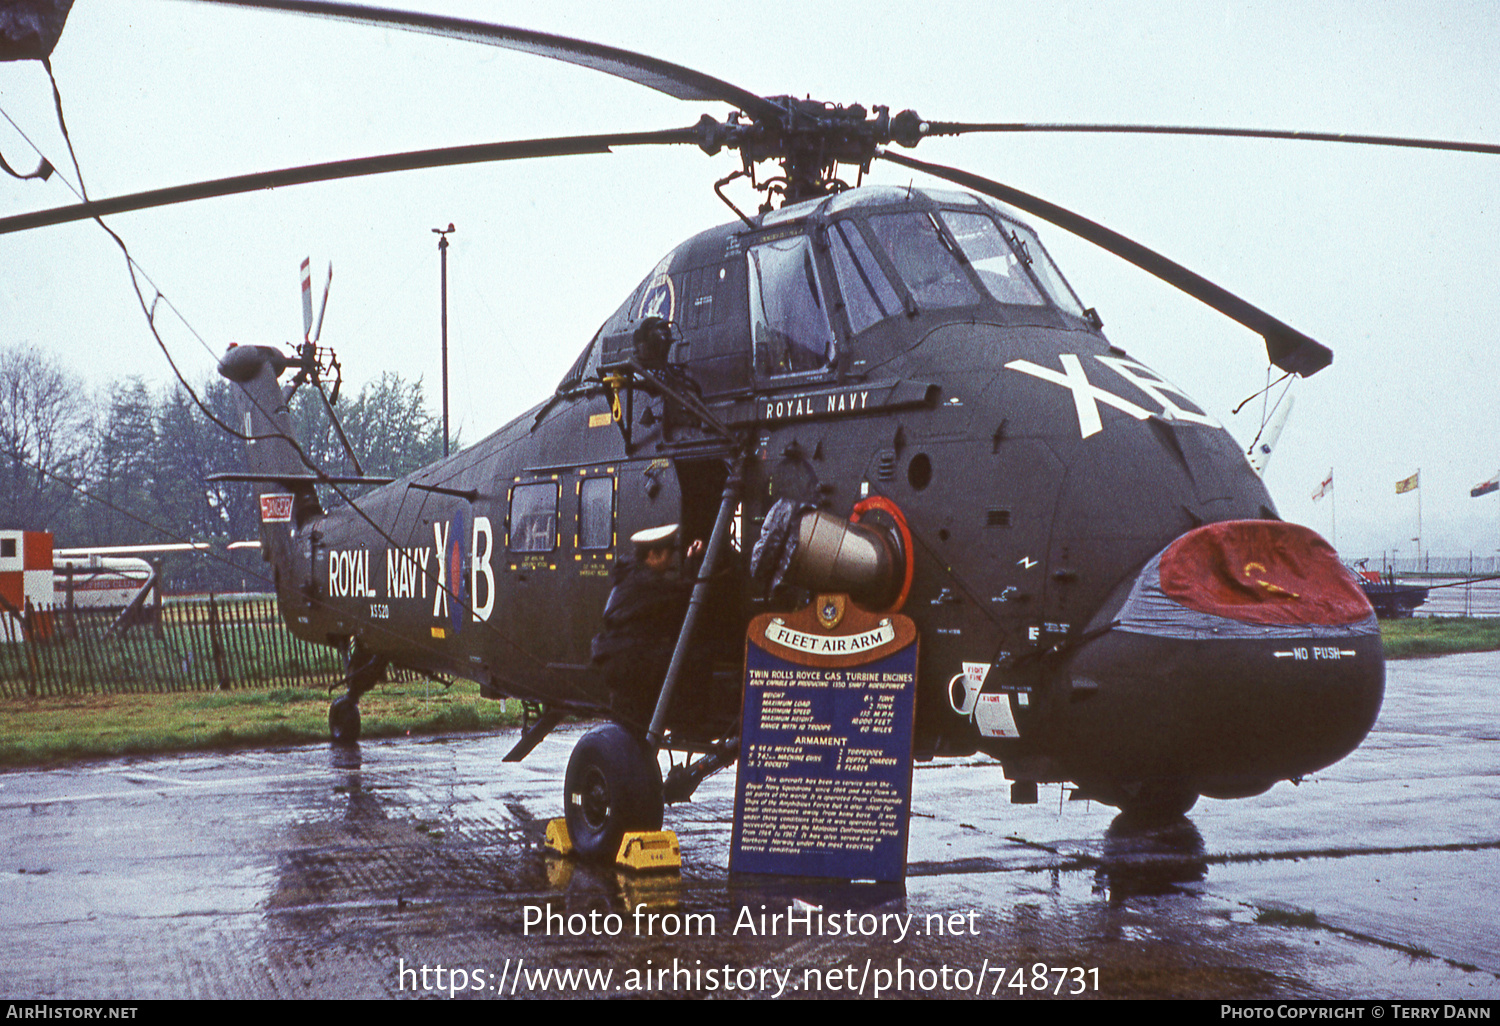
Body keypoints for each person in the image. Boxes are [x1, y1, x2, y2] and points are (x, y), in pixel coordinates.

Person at [590, 524, 703, 730]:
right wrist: (694, 563)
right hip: (630, 664)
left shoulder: (634, 573)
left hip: (623, 661)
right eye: (668, 555)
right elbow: (683, 595)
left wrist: (690, 559)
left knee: (632, 729)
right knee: (697, 657)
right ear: (653, 554)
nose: (670, 561)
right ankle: (690, 721)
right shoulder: (645, 582)